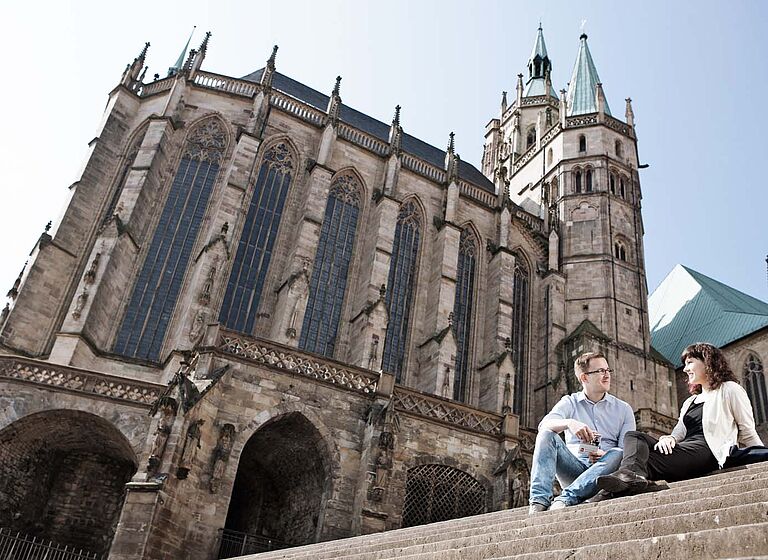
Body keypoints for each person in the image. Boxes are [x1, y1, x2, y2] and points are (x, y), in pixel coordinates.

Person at [597, 343, 765, 496]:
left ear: (707, 362)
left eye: (690, 362)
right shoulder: (690, 401)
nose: (685, 369)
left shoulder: (729, 389)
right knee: (635, 444)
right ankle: (615, 487)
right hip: (687, 450)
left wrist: (761, 461)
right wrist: (668, 438)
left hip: (709, 451)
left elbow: (747, 431)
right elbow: (679, 431)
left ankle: (604, 493)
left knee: (636, 451)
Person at [528, 351, 636, 513]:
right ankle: (538, 503)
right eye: (600, 371)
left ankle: (565, 499)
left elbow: (628, 454)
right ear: (584, 378)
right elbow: (544, 425)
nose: (607, 375)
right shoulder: (570, 402)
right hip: (574, 471)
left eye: (608, 370)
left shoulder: (624, 409)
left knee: (618, 452)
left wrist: (603, 454)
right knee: (546, 434)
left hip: (606, 475)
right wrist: (569, 423)